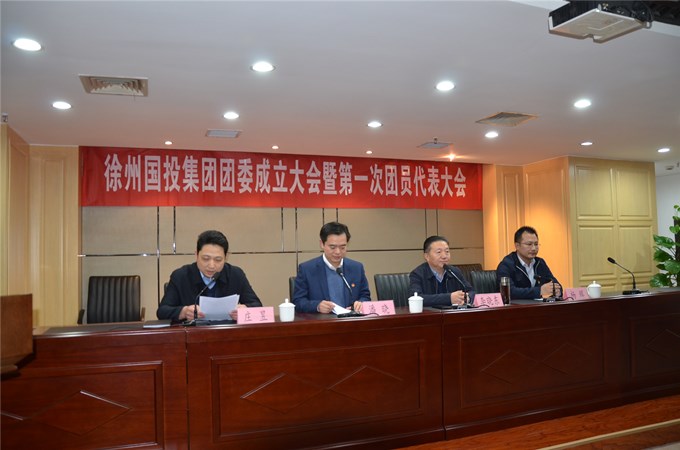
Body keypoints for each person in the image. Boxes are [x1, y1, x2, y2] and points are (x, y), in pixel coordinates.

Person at [157, 230, 262, 322]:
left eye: (218, 260)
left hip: (227, 333)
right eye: (206, 259)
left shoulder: (235, 275)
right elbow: (162, 311)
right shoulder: (181, 276)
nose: (211, 265)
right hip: (193, 334)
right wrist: (183, 312)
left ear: (226, 257)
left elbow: (257, 306)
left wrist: (244, 310)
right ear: (196, 255)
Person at [293, 221, 371, 314]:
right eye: (332, 247)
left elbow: (365, 296)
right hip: (322, 321)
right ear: (322, 244)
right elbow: (298, 302)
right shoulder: (307, 269)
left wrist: (361, 303)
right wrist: (317, 306)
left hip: (350, 320)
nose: (338, 252)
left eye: (342, 247)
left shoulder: (357, 268)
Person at [496, 226, 561, 300]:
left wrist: (556, 290)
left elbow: (555, 284)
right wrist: (539, 291)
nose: (533, 248)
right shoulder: (506, 265)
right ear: (517, 246)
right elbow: (509, 291)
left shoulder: (540, 263)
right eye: (529, 244)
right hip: (516, 306)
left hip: (537, 305)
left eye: (536, 244)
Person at [409, 235, 475, 308]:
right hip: (430, 314)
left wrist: (467, 298)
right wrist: (449, 298)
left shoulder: (454, 271)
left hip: (452, 313)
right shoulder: (417, 274)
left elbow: (471, 291)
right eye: (439, 252)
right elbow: (416, 298)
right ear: (427, 256)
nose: (444, 256)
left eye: (447, 251)